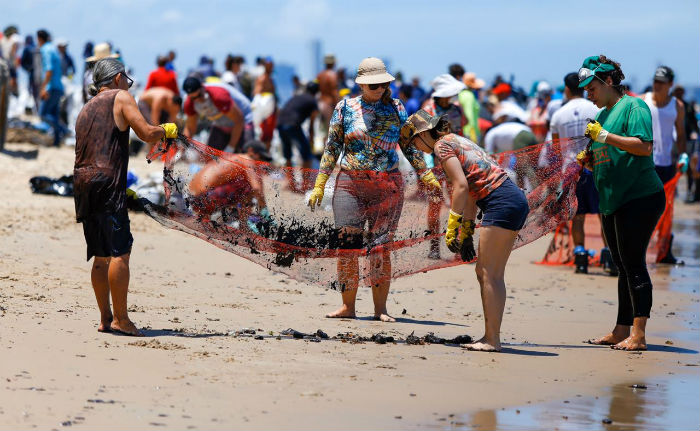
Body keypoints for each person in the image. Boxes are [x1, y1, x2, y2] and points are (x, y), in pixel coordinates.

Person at [307, 57, 441, 322]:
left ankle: (381, 309)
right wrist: (319, 183)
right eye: (373, 85)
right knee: (347, 247)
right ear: (361, 85)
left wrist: (426, 174)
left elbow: (409, 145)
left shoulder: (397, 107)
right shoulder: (345, 107)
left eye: (382, 84)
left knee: (380, 248)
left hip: (387, 185)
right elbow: (332, 146)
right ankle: (348, 307)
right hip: (349, 185)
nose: (379, 89)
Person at [404, 110, 529, 351]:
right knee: (488, 272)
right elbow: (471, 189)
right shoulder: (457, 140)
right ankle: (490, 336)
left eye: (414, 143)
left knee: (488, 273)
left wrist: (453, 225)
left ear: (422, 135)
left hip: (501, 202)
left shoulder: (441, 146)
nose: (417, 148)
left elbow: (460, 187)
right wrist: (467, 231)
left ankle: (492, 340)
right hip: (511, 200)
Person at [74, 58, 177, 336]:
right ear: (118, 77)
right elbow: (145, 133)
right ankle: (120, 318)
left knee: (100, 255)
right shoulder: (121, 96)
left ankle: (105, 318)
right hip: (108, 183)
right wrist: (165, 129)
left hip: (82, 183)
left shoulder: (85, 108)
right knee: (120, 252)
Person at [577, 55, 665, 351]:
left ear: (609, 81)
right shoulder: (602, 115)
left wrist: (606, 136)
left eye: (592, 88)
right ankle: (620, 329)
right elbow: (607, 154)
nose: (588, 94)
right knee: (621, 265)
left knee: (634, 263)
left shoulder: (633, 106)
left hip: (640, 196)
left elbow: (643, 147)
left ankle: (638, 335)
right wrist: (588, 161)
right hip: (612, 199)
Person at [550, 72, 607, 274]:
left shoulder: (558, 114)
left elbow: (556, 148)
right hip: (596, 166)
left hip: (572, 170)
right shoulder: (595, 108)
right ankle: (609, 255)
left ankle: (581, 257)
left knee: (578, 216)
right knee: (604, 214)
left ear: (566, 89)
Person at [642, 66, 686, 264]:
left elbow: (681, 134)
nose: (657, 84)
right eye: (655, 81)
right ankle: (640, 249)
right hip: (645, 163)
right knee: (643, 208)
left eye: (661, 82)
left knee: (667, 209)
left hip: (667, 164)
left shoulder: (677, 106)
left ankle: (664, 251)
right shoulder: (643, 100)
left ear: (670, 84)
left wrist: (684, 155)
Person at [189, 140, 272, 231]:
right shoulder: (247, 159)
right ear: (250, 151)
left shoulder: (231, 158)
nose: (261, 161)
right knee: (246, 185)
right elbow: (256, 188)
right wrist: (264, 209)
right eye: (261, 157)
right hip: (206, 199)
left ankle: (205, 217)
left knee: (238, 182)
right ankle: (243, 226)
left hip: (193, 199)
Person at [182, 75, 253, 152]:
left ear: (202, 87)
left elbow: (239, 120)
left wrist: (231, 147)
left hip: (243, 119)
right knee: (210, 156)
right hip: (221, 122)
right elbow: (190, 128)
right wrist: (180, 150)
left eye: (199, 95)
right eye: (193, 98)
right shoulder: (189, 104)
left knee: (248, 155)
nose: (198, 100)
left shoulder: (219, 96)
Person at [277, 81, 319, 191]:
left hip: (280, 123)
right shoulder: (313, 101)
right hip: (293, 125)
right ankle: (305, 185)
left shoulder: (298, 96)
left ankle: (290, 183)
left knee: (288, 155)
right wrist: (311, 139)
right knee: (307, 156)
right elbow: (312, 123)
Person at [37, 29, 69, 147]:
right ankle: (56, 142)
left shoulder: (45, 49)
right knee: (54, 115)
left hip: (51, 87)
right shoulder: (53, 49)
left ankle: (64, 130)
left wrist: (43, 88)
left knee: (43, 114)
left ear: (40, 39)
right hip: (58, 86)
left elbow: (49, 71)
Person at [673, 85, 700, 202]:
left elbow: (693, 122)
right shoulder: (670, 105)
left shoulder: (688, 106)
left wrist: (695, 133)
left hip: (687, 139)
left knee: (688, 166)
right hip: (672, 139)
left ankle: (689, 190)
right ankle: (673, 190)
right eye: (677, 92)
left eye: (681, 92)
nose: (679, 94)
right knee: (673, 166)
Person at [253, 57, 277, 148]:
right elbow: (256, 93)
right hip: (265, 112)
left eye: (271, 66)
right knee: (264, 136)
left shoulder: (270, 79)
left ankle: (265, 157)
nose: (271, 68)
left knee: (269, 136)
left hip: (270, 111)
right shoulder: (262, 79)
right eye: (269, 66)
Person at [317, 54, 338, 130]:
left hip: (320, 103)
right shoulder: (333, 75)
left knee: (320, 132)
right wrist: (339, 106)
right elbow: (334, 92)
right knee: (330, 131)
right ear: (333, 63)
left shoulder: (320, 75)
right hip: (328, 105)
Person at [1, 25, 21, 96]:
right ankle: (13, 91)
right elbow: (13, 52)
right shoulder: (13, 40)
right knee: (12, 78)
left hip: (4, 63)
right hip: (9, 64)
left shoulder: (2, 39)